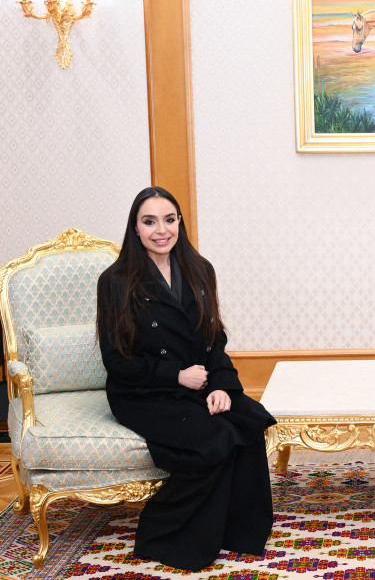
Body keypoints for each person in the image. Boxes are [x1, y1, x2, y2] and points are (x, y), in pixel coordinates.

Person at [96, 186, 276, 571]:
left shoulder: (200, 269)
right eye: (149, 222)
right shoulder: (115, 281)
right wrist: (177, 376)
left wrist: (222, 386)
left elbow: (214, 338)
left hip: (200, 380)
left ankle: (237, 531)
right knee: (216, 438)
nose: (161, 230)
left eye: (169, 219)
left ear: (179, 222)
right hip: (143, 391)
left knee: (250, 421)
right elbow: (117, 361)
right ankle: (161, 533)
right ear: (135, 228)